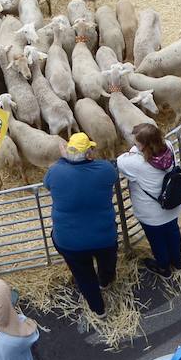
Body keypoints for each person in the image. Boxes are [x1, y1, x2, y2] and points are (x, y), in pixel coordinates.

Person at [43, 133, 118, 315]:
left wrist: (63, 160)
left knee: (83, 275)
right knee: (107, 259)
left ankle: (98, 309)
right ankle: (105, 281)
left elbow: (47, 184)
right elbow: (113, 176)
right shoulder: (106, 169)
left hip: (70, 242)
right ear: (90, 154)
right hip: (104, 236)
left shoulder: (56, 171)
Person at [117, 124, 181, 278]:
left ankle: (163, 268)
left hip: (152, 214)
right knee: (173, 232)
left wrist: (134, 152)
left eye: (137, 143)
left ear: (146, 146)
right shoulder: (168, 146)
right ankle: (178, 262)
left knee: (157, 241)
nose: (134, 145)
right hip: (172, 206)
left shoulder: (135, 163)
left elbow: (120, 160)